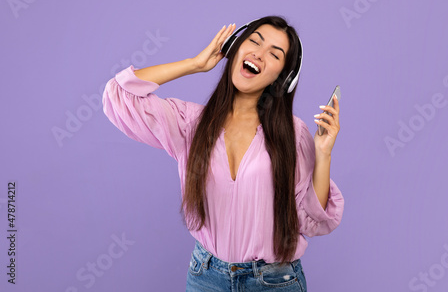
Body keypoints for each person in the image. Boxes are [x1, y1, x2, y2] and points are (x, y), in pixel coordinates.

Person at [102, 15, 344, 291]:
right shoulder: (189, 123)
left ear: (283, 77)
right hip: (206, 277)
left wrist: (323, 154)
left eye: (274, 55)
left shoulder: (293, 134)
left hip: (273, 281)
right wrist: (195, 64)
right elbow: (120, 94)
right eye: (254, 41)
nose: (258, 54)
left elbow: (312, 217)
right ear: (235, 47)